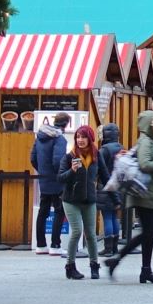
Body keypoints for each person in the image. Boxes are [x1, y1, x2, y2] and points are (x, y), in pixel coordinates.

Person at [125, 112, 153, 283]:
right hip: (143, 194)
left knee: (149, 232)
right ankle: (142, 268)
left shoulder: (151, 142)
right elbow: (144, 165)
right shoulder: (145, 142)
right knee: (149, 232)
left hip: (148, 193)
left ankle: (144, 269)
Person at [62, 125, 102, 280]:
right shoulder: (69, 157)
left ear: (90, 139)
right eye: (78, 137)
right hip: (71, 200)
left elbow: (104, 174)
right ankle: (70, 266)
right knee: (77, 231)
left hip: (89, 200)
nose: (80, 140)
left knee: (91, 234)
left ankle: (94, 266)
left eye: (83, 137)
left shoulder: (96, 156)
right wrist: (71, 171)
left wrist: (113, 194)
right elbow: (60, 177)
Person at [30, 114, 69, 254]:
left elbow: (33, 158)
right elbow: (58, 160)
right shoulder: (59, 138)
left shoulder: (39, 137)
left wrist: (42, 171)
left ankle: (41, 245)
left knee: (43, 211)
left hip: (44, 179)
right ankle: (55, 245)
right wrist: (62, 174)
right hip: (56, 180)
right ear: (66, 124)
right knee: (59, 212)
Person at [95, 121, 124, 263]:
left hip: (105, 186)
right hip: (118, 185)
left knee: (107, 216)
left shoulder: (103, 150)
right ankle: (115, 247)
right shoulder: (121, 147)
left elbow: (100, 169)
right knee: (114, 217)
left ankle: (107, 248)